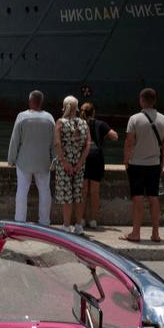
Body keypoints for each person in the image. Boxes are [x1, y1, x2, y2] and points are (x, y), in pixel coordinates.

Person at [122, 88, 164, 243]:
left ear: (141, 100)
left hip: (136, 164)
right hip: (154, 164)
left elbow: (129, 143)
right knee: (154, 198)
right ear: (154, 100)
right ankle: (155, 234)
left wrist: (126, 161)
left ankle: (136, 233)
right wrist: (162, 163)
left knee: (137, 198)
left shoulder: (134, 119)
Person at [7, 90, 56, 225]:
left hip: (24, 162)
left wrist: (11, 159)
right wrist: (55, 160)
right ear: (41, 102)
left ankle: (20, 221)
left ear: (30, 101)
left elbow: (15, 140)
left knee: (22, 191)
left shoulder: (22, 117)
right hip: (43, 162)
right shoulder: (50, 118)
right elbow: (54, 143)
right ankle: (45, 221)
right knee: (45, 191)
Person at [53, 95, 90, 234]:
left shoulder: (60, 122)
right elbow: (87, 145)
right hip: (79, 165)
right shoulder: (83, 123)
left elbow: (57, 143)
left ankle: (66, 226)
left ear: (64, 107)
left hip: (65, 165)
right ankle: (79, 226)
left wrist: (64, 162)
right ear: (77, 107)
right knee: (78, 195)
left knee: (66, 195)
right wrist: (80, 163)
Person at [79, 101, 117, 230]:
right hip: (96, 159)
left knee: (83, 191)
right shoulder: (100, 124)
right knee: (94, 192)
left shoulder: (79, 124)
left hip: (82, 159)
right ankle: (93, 220)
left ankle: (81, 219)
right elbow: (115, 136)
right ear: (94, 112)